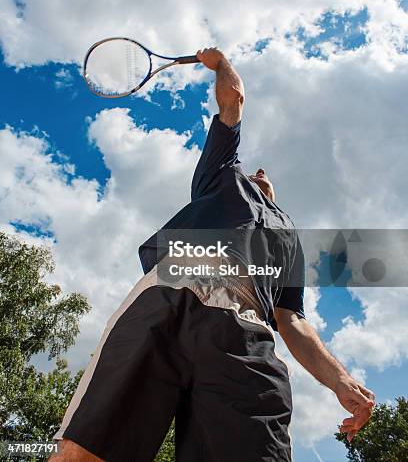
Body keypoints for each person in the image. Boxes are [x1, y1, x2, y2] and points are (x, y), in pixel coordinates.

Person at [51, 49, 375, 462]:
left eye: (264, 173)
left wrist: (341, 380)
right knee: (86, 453)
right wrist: (220, 61)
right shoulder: (220, 175)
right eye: (253, 171)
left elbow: (291, 320)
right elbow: (233, 99)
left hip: (245, 331)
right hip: (171, 296)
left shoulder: (288, 238)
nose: (258, 172)